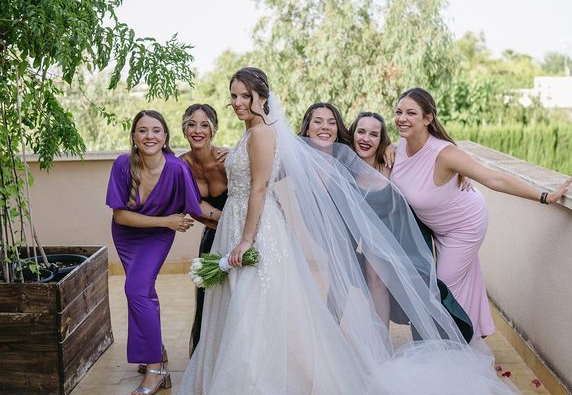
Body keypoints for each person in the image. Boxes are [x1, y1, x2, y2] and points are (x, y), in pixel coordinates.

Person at [179, 68, 518, 395]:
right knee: (325, 293)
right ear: (306, 128)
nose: (238, 102)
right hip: (327, 235)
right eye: (233, 96)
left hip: (387, 233)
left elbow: (262, 184)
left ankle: (416, 351)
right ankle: (336, 350)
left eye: (245, 96)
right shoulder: (293, 150)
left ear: (261, 97)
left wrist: (387, 149)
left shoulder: (352, 155)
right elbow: (263, 177)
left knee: (392, 282)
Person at [390, 87, 572, 338]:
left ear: (428, 118)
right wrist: (385, 149)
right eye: (399, 112)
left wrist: (545, 196)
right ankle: (475, 333)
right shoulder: (397, 147)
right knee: (461, 283)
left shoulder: (444, 154)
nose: (402, 118)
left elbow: (494, 179)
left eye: (411, 113)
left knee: (442, 288)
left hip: (464, 224)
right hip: (436, 225)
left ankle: (450, 347)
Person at [349, 111, 473, 342]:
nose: (366, 138)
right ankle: (381, 343)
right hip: (374, 240)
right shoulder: (345, 170)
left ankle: (436, 338)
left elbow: (426, 161)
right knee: (374, 279)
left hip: (407, 239)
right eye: (361, 131)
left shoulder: (391, 163)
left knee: (421, 290)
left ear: (381, 139)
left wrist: (460, 173)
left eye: (374, 134)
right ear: (353, 133)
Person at [106, 110, 203, 395]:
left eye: (156, 130)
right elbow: (121, 216)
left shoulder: (176, 168)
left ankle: (155, 369)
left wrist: (233, 221)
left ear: (165, 137)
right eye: (143, 131)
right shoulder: (123, 165)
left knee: (136, 289)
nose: (150, 136)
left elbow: (196, 207)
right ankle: (155, 348)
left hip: (156, 238)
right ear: (134, 137)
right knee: (143, 292)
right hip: (127, 234)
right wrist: (167, 220)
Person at [179, 103, 228, 356]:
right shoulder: (180, 166)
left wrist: (225, 220)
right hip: (211, 237)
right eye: (192, 124)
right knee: (207, 296)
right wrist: (219, 218)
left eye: (205, 124)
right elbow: (190, 206)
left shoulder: (227, 160)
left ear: (214, 129)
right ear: (185, 129)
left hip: (237, 236)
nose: (198, 130)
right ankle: (206, 356)